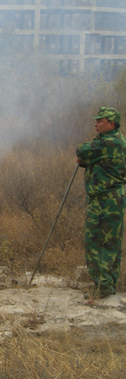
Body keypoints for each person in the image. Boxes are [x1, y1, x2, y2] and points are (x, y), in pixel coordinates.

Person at [76, 107, 126, 299]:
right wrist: (87, 161)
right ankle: (109, 284)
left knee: (96, 242)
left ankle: (102, 288)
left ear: (111, 124)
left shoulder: (107, 143)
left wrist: (85, 157)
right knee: (112, 242)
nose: (96, 124)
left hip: (104, 201)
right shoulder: (120, 141)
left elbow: (82, 150)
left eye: (100, 121)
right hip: (115, 199)